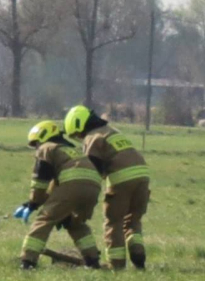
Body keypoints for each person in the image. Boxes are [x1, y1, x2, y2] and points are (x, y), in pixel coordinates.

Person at [64, 105, 150, 270]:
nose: (79, 138)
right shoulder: (112, 132)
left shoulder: (92, 138)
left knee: (113, 221)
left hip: (121, 179)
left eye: (77, 134)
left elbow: (92, 170)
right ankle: (138, 257)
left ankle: (115, 265)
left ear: (80, 126)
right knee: (132, 221)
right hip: (143, 177)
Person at [14, 121, 102, 270]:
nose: (36, 147)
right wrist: (34, 203)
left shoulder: (46, 148)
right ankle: (92, 261)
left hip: (73, 186)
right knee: (75, 223)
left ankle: (27, 262)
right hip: (93, 187)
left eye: (36, 143)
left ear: (43, 137)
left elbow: (40, 182)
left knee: (44, 219)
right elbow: (55, 186)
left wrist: (33, 203)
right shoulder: (70, 150)